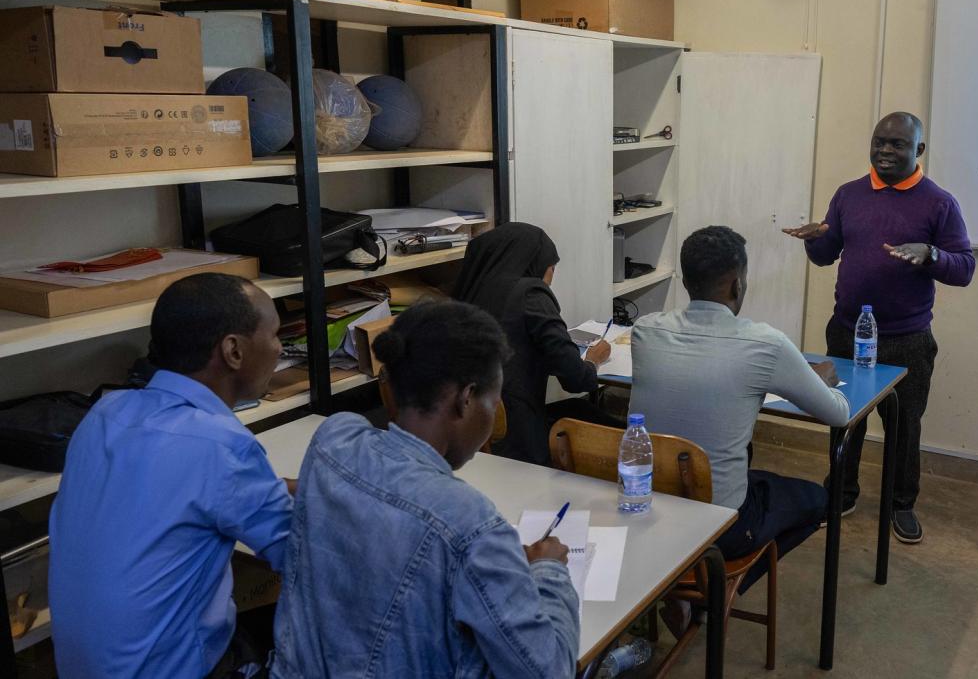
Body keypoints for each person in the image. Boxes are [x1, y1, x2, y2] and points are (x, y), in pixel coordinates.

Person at [271, 301, 579, 678]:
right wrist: (548, 571)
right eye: (494, 403)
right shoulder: (472, 521)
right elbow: (549, 670)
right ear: (466, 399)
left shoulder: (334, 440)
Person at [49, 273, 292, 679]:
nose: (281, 349)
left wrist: (283, 485)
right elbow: (299, 554)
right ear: (233, 350)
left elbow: (177, 491)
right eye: (276, 336)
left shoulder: (107, 414)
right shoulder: (222, 445)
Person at [784, 111, 975, 545]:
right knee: (844, 415)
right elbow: (824, 256)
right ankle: (842, 493)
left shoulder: (939, 202)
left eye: (897, 145)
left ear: (919, 151)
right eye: (879, 142)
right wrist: (815, 239)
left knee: (905, 426)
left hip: (907, 339)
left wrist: (930, 254)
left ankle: (901, 504)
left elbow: (964, 269)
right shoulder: (849, 194)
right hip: (847, 332)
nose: (885, 151)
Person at [631, 226, 850, 603]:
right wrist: (821, 380)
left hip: (647, 509)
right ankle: (722, 590)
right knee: (820, 499)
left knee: (751, 473)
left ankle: (688, 590)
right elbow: (838, 414)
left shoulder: (645, 330)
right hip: (721, 526)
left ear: (686, 282)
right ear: (737, 286)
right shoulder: (765, 343)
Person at [453, 222, 611, 464]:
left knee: (579, 410)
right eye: (552, 268)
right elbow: (575, 379)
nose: (551, 278)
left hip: (468, 438)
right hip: (518, 443)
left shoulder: (465, 294)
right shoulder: (531, 294)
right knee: (602, 423)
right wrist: (592, 360)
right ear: (535, 264)